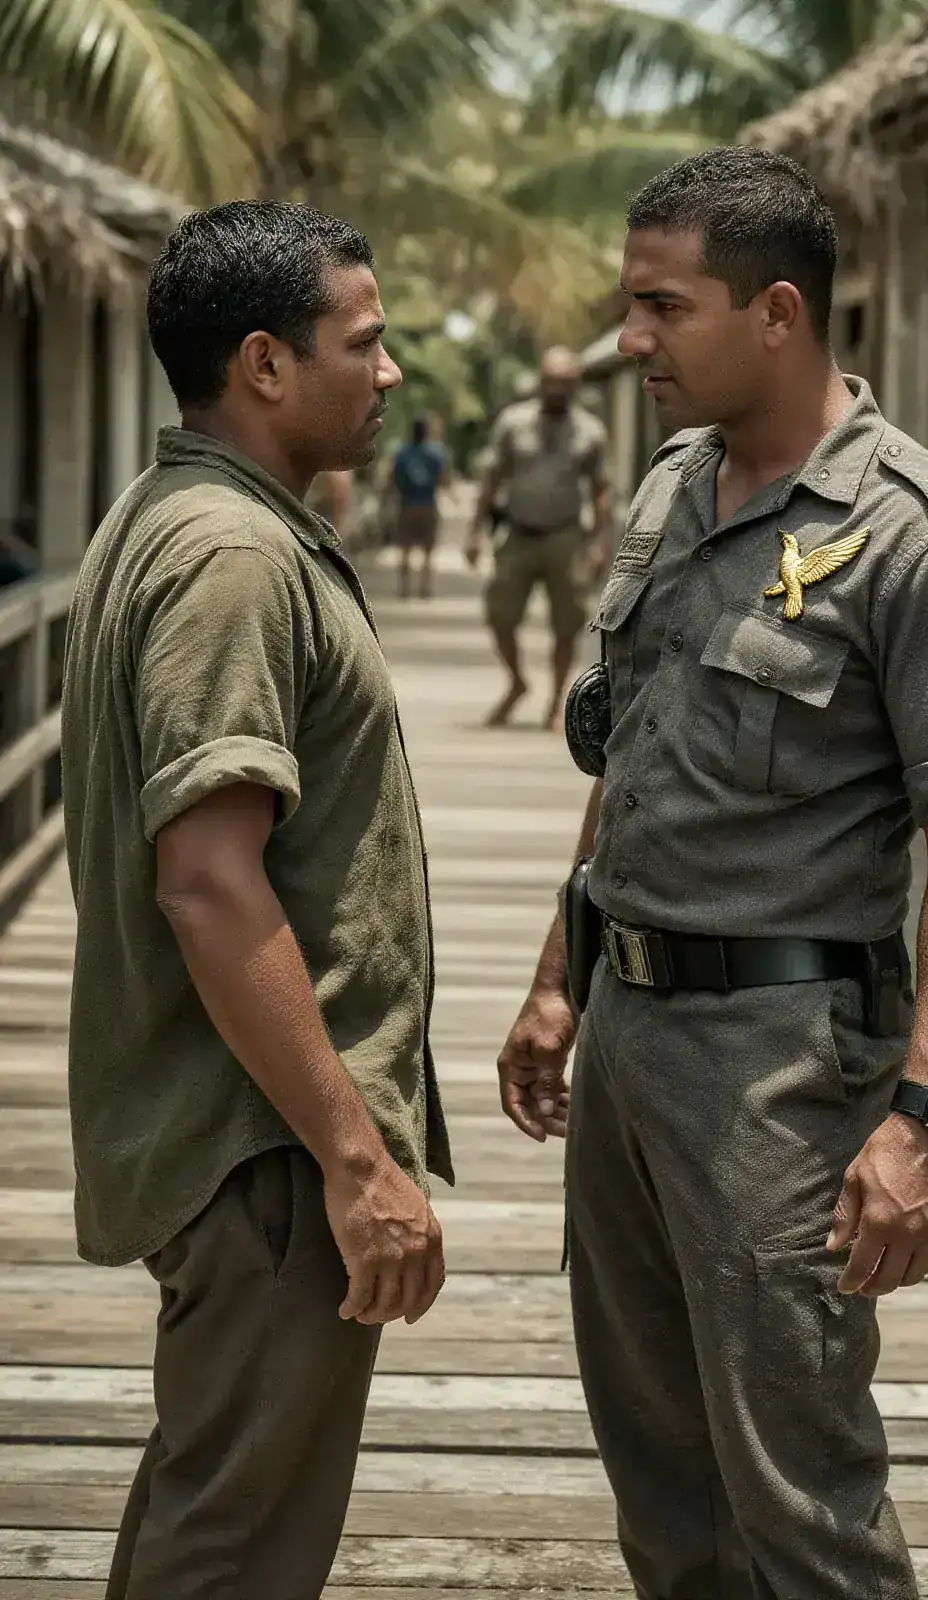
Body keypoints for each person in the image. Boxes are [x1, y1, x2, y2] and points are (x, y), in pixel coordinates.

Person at [497, 148, 928, 1599]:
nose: (630, 342)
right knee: (662, 1482)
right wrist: (560, 975)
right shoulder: (675, 488)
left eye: (662, 308)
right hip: (628, 1032)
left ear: (778, 311)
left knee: (799, 1493)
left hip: (780, 1074)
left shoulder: (921, 539)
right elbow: (635, 746)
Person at [60, 200, 453, 1600]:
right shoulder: (232, 557)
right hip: (269, 1150)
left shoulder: (191, 518)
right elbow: (212, 884)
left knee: (209, 1513)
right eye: (367, 339)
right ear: (265, 364)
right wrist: (357, 1164)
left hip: (253, 1138)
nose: (391, 370)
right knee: (235, 1554)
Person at [465, 347, 613, 730]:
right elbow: (492, 477)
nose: (557, 390)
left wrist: (600, 541)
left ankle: (555, 701)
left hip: (564, 536)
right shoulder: (514, 423)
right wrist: (475, 531)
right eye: (551, 382)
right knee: (499, 614)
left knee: (567, 622)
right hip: (518, 533)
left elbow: (601, 489)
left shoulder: (590, 431)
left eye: (565, 383)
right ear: (540, 381)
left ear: (576, 385)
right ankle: (517, 681)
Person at [388, 415, 447, 599]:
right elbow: (442, 479)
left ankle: (404, 588)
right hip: (428, 504)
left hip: (407, 505)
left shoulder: (403, 453)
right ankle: (425, 588)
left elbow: (393, 479)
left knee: (405, 548)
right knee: (428, 550)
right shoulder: (435, 453)